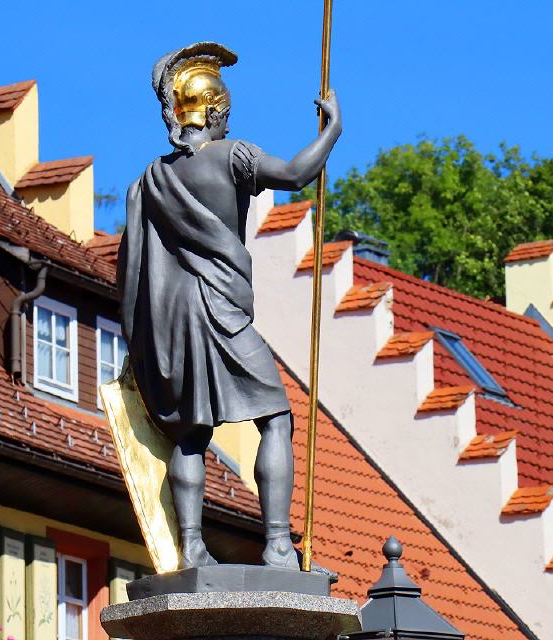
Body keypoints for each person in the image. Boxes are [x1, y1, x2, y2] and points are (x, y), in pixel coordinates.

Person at [117, 42, 341, 570]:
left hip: (170, 322)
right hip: (220, 309)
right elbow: (294, 175)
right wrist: (331, 130)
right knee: (276, 416)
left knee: (191, 432)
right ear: (215, 113)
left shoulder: (147, 181)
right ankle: (279, 545)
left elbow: (130, 271)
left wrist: (139, 340)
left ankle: (192, 548)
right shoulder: (233, 155)